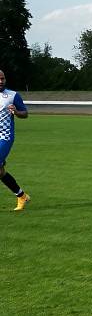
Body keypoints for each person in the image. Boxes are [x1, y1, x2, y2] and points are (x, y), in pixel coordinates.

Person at [0, 70, 30, 211]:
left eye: (3, 78)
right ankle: (22, 196)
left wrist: (17, 112)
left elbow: (25, 114)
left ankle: (21, 196)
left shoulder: (13, 95)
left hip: (5, 137)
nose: (1, 81)